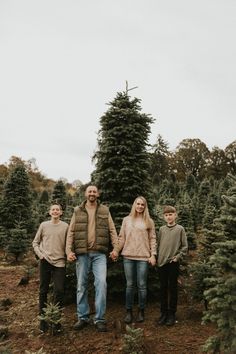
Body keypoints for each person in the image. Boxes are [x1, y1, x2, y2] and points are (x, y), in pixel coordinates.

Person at [66, 185, 119, 332]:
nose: (92, 193)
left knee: (101, 284)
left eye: (94, 191)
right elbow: (71, 232)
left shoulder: (104, 210)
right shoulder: (77, 211)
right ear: (85, 193)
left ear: (98, 194)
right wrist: (68, 251)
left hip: (99, 254)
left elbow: (112, 231)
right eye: (89, 191)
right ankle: (82, 317)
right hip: (82, 254)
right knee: (81, 286)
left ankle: (100, 319)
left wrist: (116, 249)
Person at [117, 196, 157, 324]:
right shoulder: (126, 220)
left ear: (145, 207)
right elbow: (121, 237)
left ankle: (141, 310)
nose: (140, 206)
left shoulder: (149, 221)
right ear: (134, 205)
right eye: (138, 204)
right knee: (129, 285)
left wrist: (153, 255)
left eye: (142, 205)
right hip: (128, 256)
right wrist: (116, 251)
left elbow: (153, 239)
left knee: (142, 285)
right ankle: (128, 311)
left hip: (143, 257)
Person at [32, 203, 68, 333]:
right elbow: (35, 242)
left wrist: (69, 255)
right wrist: (40, 255)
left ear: (61, 212)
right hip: (45, 261)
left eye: (57, 209)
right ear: (49, 212)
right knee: (43, 290)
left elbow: (69, 244)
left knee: (59, 290)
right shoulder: (44, 225)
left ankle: (56, 320)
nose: (55, 211)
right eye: (53, 209)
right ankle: (43, 320)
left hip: (60, 262)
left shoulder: (65, 226)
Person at [157, 205, 188, 326]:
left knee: (172, 288)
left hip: (173, 263)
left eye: (171, 214)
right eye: (166, 215)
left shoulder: (180, 229)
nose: (168, 217)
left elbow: (185, 246)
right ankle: (163, 313)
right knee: (163, 288)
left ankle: (171, 313)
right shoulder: (161, 229)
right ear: (164, 217)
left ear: (175, 215)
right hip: (161, 263)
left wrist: (177, 257)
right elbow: (158, 244)